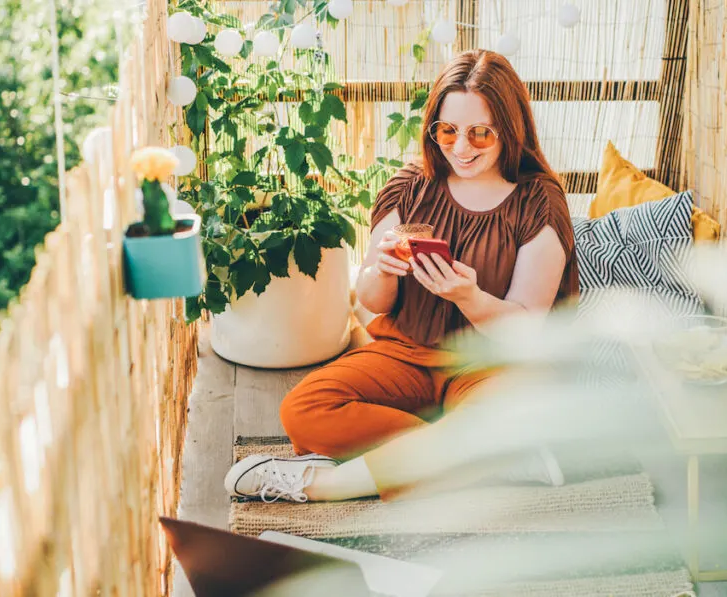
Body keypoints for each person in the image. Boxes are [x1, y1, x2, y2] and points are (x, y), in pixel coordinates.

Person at [224, 49, 579, 504]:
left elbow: (527, 328)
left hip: (492, 367)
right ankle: (481, 455)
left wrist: (469, 297)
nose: (461, 148)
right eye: (448, 131)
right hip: (405, 357)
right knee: (302, 410)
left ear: (510, 131)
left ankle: (322, 483)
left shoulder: (538, 201)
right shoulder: (411, 185)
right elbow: (373, 300)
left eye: (480, 134)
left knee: (502, 410)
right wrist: (381, 269)